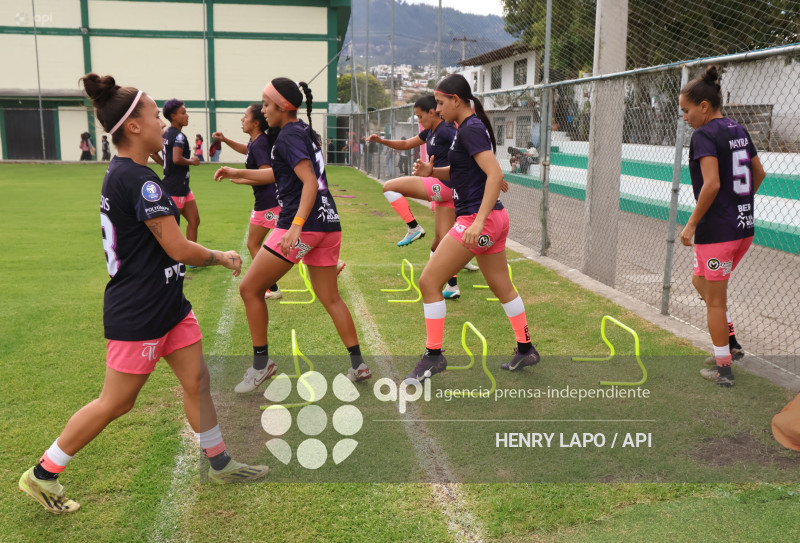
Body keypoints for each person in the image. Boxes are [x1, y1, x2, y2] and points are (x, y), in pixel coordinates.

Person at [18, 73, 269, 515]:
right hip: (140, 310)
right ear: (133, 127)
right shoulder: (139, 180)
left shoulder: (133, 174)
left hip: (169, 302)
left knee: (197, 381)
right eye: (155, 115)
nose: (161, 123)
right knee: (117, 402)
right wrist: (221, 256)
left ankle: (220, 462)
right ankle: (42, 473)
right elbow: (177, 246)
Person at [214, 77, 372, 393]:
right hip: (328, 223)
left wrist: (296, 226)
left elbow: (309, 182)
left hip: (303, 224)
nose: (262, 109)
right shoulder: (298, 133)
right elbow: (281, 173)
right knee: (330, 297)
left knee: (249, 288)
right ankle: (359, 364)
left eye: (267, 104)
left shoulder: (287, 136)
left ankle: (262, 365)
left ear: (283, 107)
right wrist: (238, 171)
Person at [408, 73, 539, 383]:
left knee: (428, 283)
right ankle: (526, 349)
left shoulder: (471, 128)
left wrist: (476, 222)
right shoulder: (463, 128)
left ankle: (433, 357)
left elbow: (493, 174)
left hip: (480, 220)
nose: (437, 110)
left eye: (440, 103)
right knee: (501, 287)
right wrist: (432, 170)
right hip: (493, 219)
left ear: (456, 100)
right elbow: (465, 168)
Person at [678, 65, 765, 388]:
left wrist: (690, 225)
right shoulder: (738, 129)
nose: (685, 117)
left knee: (715, 301)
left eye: (686, 111)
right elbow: (759, 174)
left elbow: (711, 184)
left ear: (704, 106)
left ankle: (723, 368)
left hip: (718, 234)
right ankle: (730, 343)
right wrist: (736, 205)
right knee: (700, 281)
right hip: (743, 229)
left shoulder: (704, 135)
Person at [368, 95, 478, 301]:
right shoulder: (430, 132)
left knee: (390, 187)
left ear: (432, 112)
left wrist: (491, 174)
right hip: (446, 194)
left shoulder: (447, 130)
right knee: (442, 241)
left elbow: (471, 150)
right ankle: (452, 286)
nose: (419, 121)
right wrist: (382, 140)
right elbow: (405, 144)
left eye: (420, 117)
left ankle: (414, 227)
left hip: (445, 185)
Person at [212, 104, 284, 301]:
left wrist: (240, 179)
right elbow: (247, 150)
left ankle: (272, 287)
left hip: (268, 203)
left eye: (245, 117)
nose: (242, 120)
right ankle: (326, 259)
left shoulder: (260, 143)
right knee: (283, 240)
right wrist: (225, 140)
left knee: (255, 243)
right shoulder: (256, 141)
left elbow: (267, 175)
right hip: (266, 202)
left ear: (256, 123)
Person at [161, 99, 201, 243]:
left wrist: (165, 165)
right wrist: (193, 161)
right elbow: (177, 159)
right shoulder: (178, 136)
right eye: (183, 113)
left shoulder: (166, 134)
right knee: (173, 229)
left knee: (194, 221)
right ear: (173, 116)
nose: (187, 115)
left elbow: (157, 153)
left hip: (183, 187)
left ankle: (192, 260)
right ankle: (173, 261)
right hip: (174, 188)